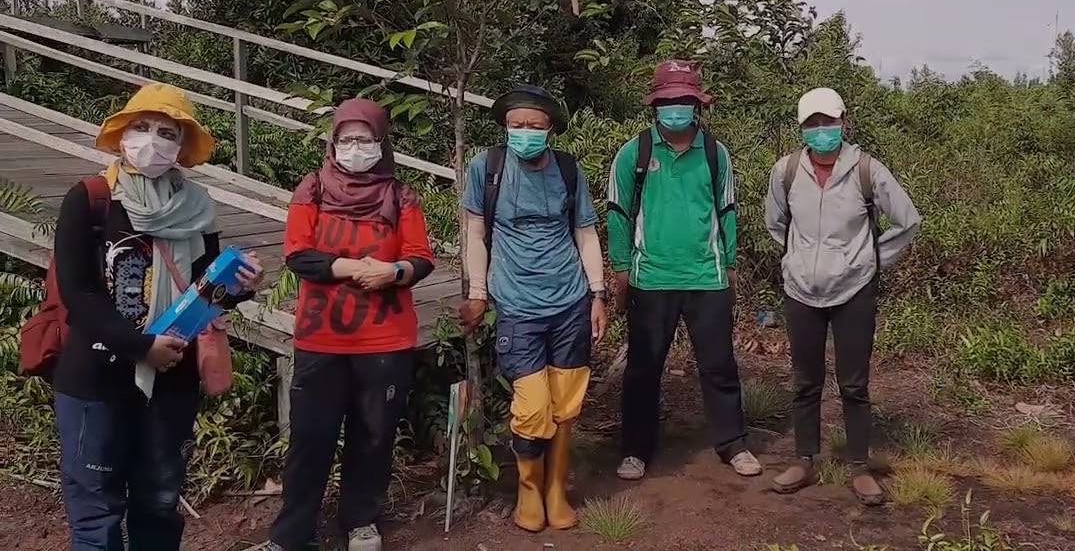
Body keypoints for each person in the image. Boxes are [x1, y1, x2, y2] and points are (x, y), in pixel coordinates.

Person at [52, 82, 266, 551]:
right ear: (123, 134)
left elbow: (205, 295)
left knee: (159, 504)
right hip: (96, 382)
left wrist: (239, 288)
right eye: (142, 127)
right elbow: (79, 293)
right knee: (96, 515)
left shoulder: (198, 209)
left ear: (181, 147)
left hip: (170, 382)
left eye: (166, 132)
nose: (152, 139)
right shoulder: (90, 200)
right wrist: (139, 347)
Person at [267, 98, 436, 551]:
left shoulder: (401, 196)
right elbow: (298, 254)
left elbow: (421, 258)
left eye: (366, 139)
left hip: (385, 338)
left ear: (382, 143)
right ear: (333, 142)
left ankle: (361, 519)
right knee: (310, 438)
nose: (355, 148)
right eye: (347, 139)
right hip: (322, 337)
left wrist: (392, 273)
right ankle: (292, 533)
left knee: (374, 435)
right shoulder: (312, 190)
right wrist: (352, 267)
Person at [457, 84, 607, 533]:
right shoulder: (488, 167)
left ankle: (555, 488)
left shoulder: (566, 168)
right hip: (517, 304)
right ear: (505, 127)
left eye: (534, 126)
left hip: (569, 300)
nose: (524, 132)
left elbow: (585, 233)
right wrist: (479, 293)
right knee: (533, 404)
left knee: (568, 402)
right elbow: (475, 234)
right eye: (516, 125)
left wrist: (597, 295)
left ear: (550, 130)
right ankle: (527, 488)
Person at [763, 87, 920, 504]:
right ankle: (803, 459)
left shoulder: (867, 169)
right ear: (801, 128)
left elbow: (907, 221)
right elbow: (776, 222)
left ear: (844, 122)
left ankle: (858, 467)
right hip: (801, 290)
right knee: (804, 381)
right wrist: (798, 259)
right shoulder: (786, 171)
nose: (821, 131)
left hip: (854, 290)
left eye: (828, 123)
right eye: (812, 124)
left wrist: (868, 260)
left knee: (854, 383)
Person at [606, 59, 761, 481]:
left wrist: (729, 266)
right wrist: (622, 268)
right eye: (668, 101)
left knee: (719, 365)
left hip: (705, 277)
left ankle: (733, 444)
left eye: (684, 101)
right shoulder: (634, 153)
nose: (676, 108)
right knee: (644, 367)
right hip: (650, 278)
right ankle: (636, 450)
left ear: (698, 105)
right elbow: (618, 214)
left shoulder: (714, 153)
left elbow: (727, 211)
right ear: (654, 106)